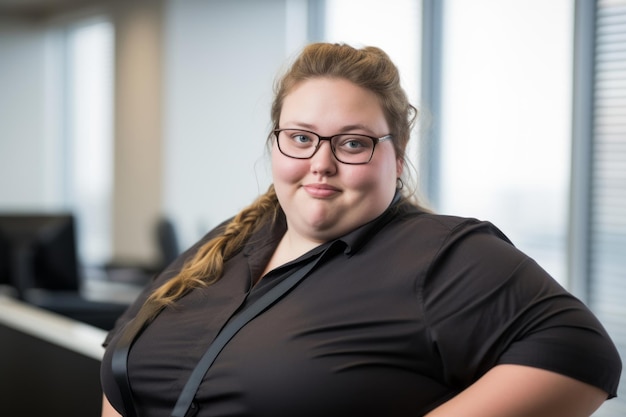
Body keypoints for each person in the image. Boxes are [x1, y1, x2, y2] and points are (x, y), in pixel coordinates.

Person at [100, 42, 621, 417]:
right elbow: (125, 359)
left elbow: (581, 356)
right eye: (301, 137)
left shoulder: (442, 254)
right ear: (276, 143)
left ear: (396, 157)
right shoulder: (231, 239)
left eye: (351, 143)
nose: (321, 163)